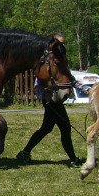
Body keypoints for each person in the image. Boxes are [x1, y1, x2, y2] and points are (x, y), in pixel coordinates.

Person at [17, 34, 80, 167]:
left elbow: (65, 75)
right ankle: (73, 159)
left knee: (46, 128)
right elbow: (39, 81)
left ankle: (25, 152)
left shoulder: (59, 59)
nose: (61, 45)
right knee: (65, 128)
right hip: (50, 99)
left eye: (63, 43)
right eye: (59, 42)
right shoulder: (47, 60)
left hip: (54, 99)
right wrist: (44, 96)